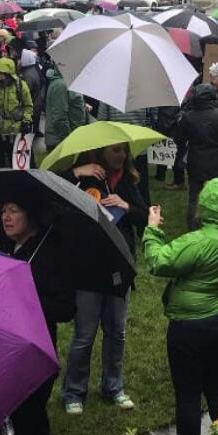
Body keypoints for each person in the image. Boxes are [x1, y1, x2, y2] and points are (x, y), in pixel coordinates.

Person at [143, 181, 218, 435]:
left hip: (190, 326)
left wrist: (153, 229)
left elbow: (158, 262)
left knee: (188, 392)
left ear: (205, 207)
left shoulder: (197, 242)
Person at [0, 199, 74, 435]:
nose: (6, 216)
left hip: (35, 352)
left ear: (31, 214)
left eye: (14, 210)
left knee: (32, 423)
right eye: (3, 211)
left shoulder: (49, 253)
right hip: (5, 350)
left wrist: (27, 299)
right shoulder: (6, 247)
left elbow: (66, 308)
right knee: (11, 421)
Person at [61, 143, 149, 415]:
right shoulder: (85, 178)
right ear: (100, 153)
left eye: (123, 151)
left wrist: (127, 206)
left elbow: (147, 217)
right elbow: (51, 190)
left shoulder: (129, 180)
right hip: (88, 267)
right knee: (84, 335)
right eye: (114, 151)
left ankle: (113, 386)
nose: (120, 156)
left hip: (119, 268)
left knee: (116, 332)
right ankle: (74, 392)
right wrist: (76, 171)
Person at [178, 83, 218, 230]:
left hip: (196, 162)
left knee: (194, 197)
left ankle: (192, 229)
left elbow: (180, 138)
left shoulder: (188, 117)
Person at [0, 57, 32, 169]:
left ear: (8, 73)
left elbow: (28, 106)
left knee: (16, 163)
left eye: (0, 71)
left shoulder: (20, 85)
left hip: (15, 130)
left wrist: (26, 121)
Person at [42, 63, 86, 155]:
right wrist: (68, 140)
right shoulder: (61, 85)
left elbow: (68, 102)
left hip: (64, 139)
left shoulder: (65, 82)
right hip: (60, 142)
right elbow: (59, 117)